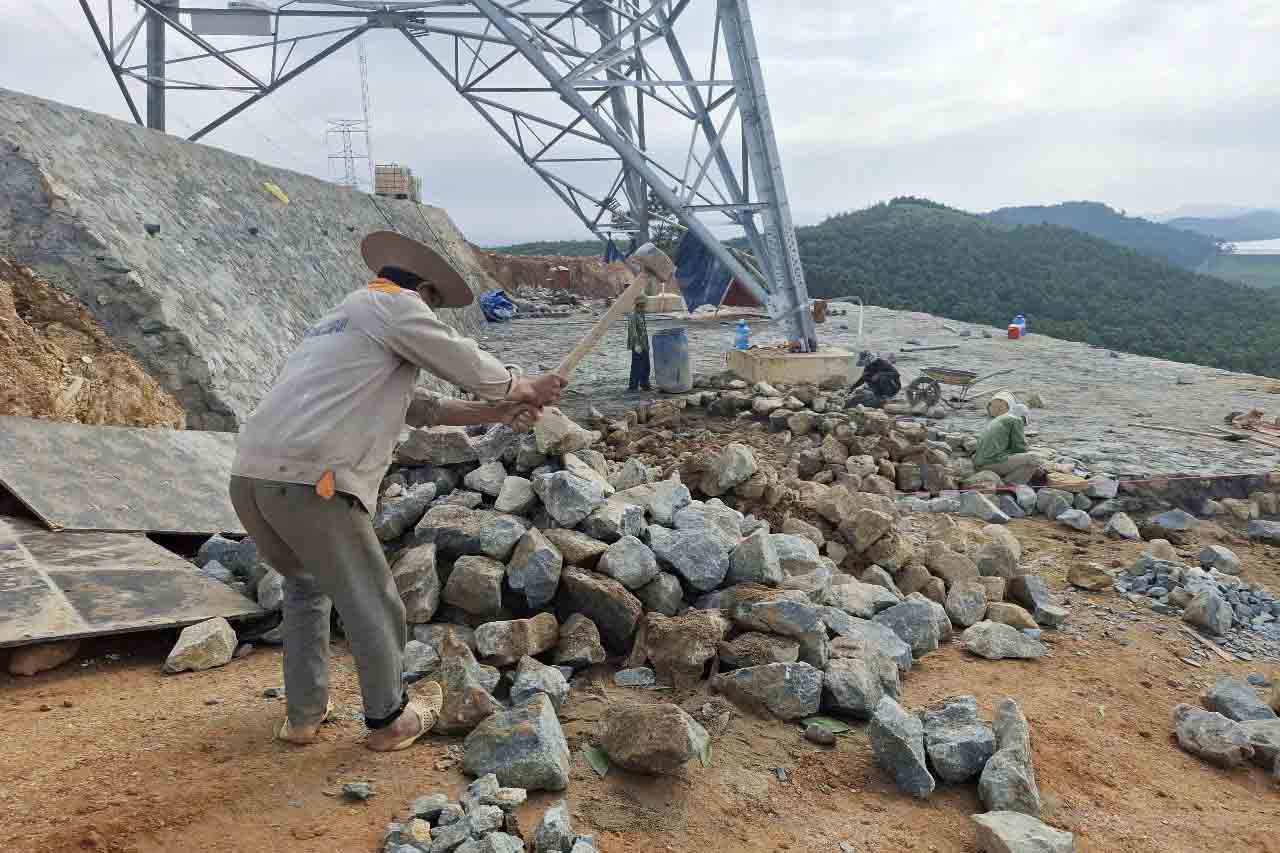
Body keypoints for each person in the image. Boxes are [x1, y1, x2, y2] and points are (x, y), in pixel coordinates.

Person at [229, 231, 564, 752]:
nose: (430, 316)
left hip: (253, 478)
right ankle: (389, 720)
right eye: (433, 306)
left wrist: (498, 411)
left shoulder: (340, 323)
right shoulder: (395, 305)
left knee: (305, 588)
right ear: (423, 291)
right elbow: (458, 355)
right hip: (314, 481)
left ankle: (303, 716)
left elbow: (422, 408)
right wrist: (518, 386)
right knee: (375, 601)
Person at [972, 403, 1044, 485]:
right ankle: (1010, 484)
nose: (1023, 426)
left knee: (1027, 461)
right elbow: (1020, 447)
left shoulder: (1000, 418)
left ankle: (1006, 481)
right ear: (1023, 417)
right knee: (1033, 459)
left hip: (979, 462)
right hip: (990, 463)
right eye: (1024, 423)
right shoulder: (1016, 419)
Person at [627, 293, 651, 392]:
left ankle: (645, 384)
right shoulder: (633, 315)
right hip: (638, 345)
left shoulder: (641, 314)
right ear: (640, 304)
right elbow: (632, 331)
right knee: (636, 367)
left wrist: (646, 345)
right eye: (644, 304)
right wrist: (636, 344)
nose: (646, 306)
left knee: (646, 365)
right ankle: (633, 387)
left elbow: (643, 331)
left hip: (644, 344)